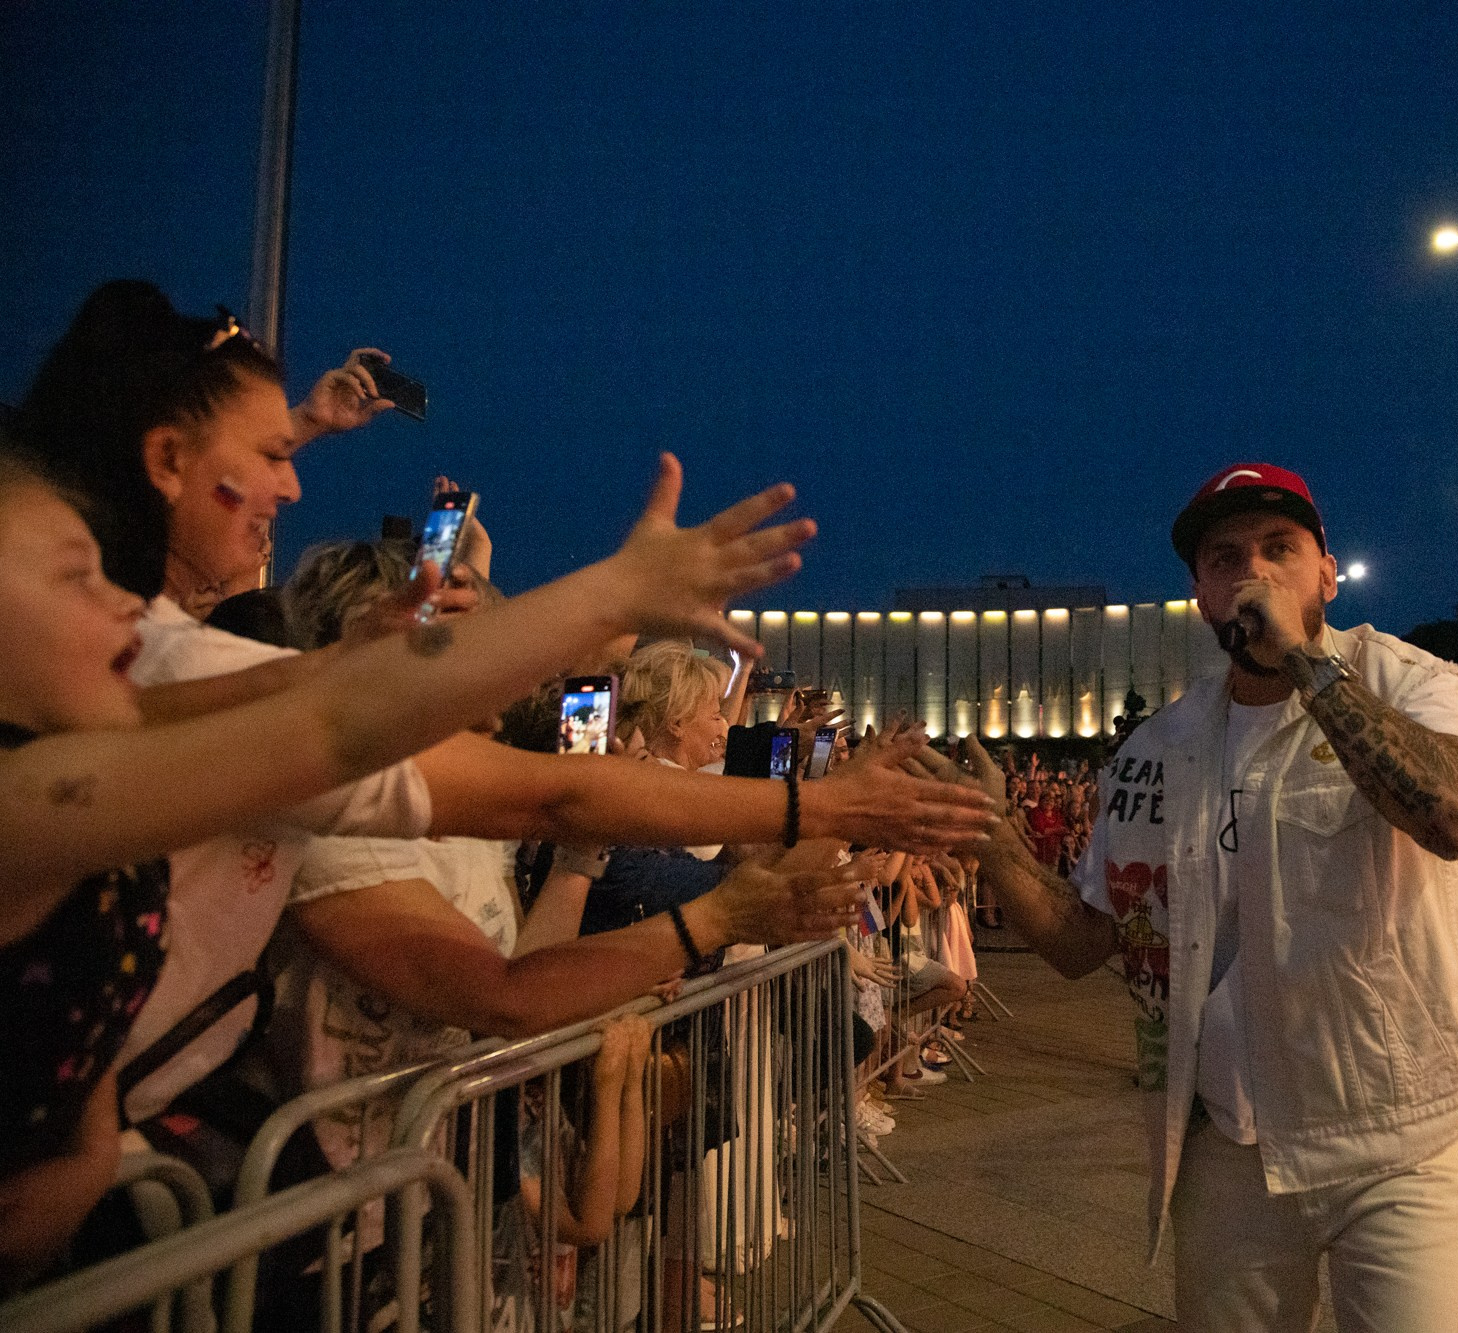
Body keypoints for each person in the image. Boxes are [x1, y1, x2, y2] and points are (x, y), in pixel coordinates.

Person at [6, 281, 996, 1132]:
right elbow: (500, 789)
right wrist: (613, 601)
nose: (295, 483)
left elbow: (356, 712)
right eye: (73, 573)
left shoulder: (179, 686)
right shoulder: (125, 705)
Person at [0, 444, 805, 1283]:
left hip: (391, 1205)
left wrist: (90, 1136)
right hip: (313, 1230)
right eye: (74, 578)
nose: (132, 613)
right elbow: (529, 849)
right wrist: (781, 840)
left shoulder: (102, 779)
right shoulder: (44, 799)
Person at [913, 463, 1458, 1332]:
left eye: (1279, 549)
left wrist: (1304, 662)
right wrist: (991, 840)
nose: (1253, 573)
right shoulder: (1159, 747)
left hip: (1400, 1143)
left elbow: (1455, 815)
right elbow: (1084, 940)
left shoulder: (1410, 682)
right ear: (1200, 595)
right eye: (1226, 559)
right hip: (1233, 1146)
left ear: (1326, 575)